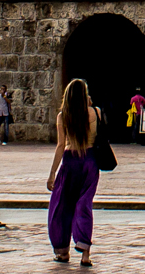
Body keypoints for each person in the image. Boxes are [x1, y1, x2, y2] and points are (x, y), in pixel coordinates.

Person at [46, 78, 101, 267]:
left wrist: (52, 172)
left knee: (61, 206)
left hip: (71, 162)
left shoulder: (63, 116)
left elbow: (61, 145)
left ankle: (62, 252)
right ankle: (85, 253)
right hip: (90, 162)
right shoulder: (96, 112)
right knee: (84, 204)